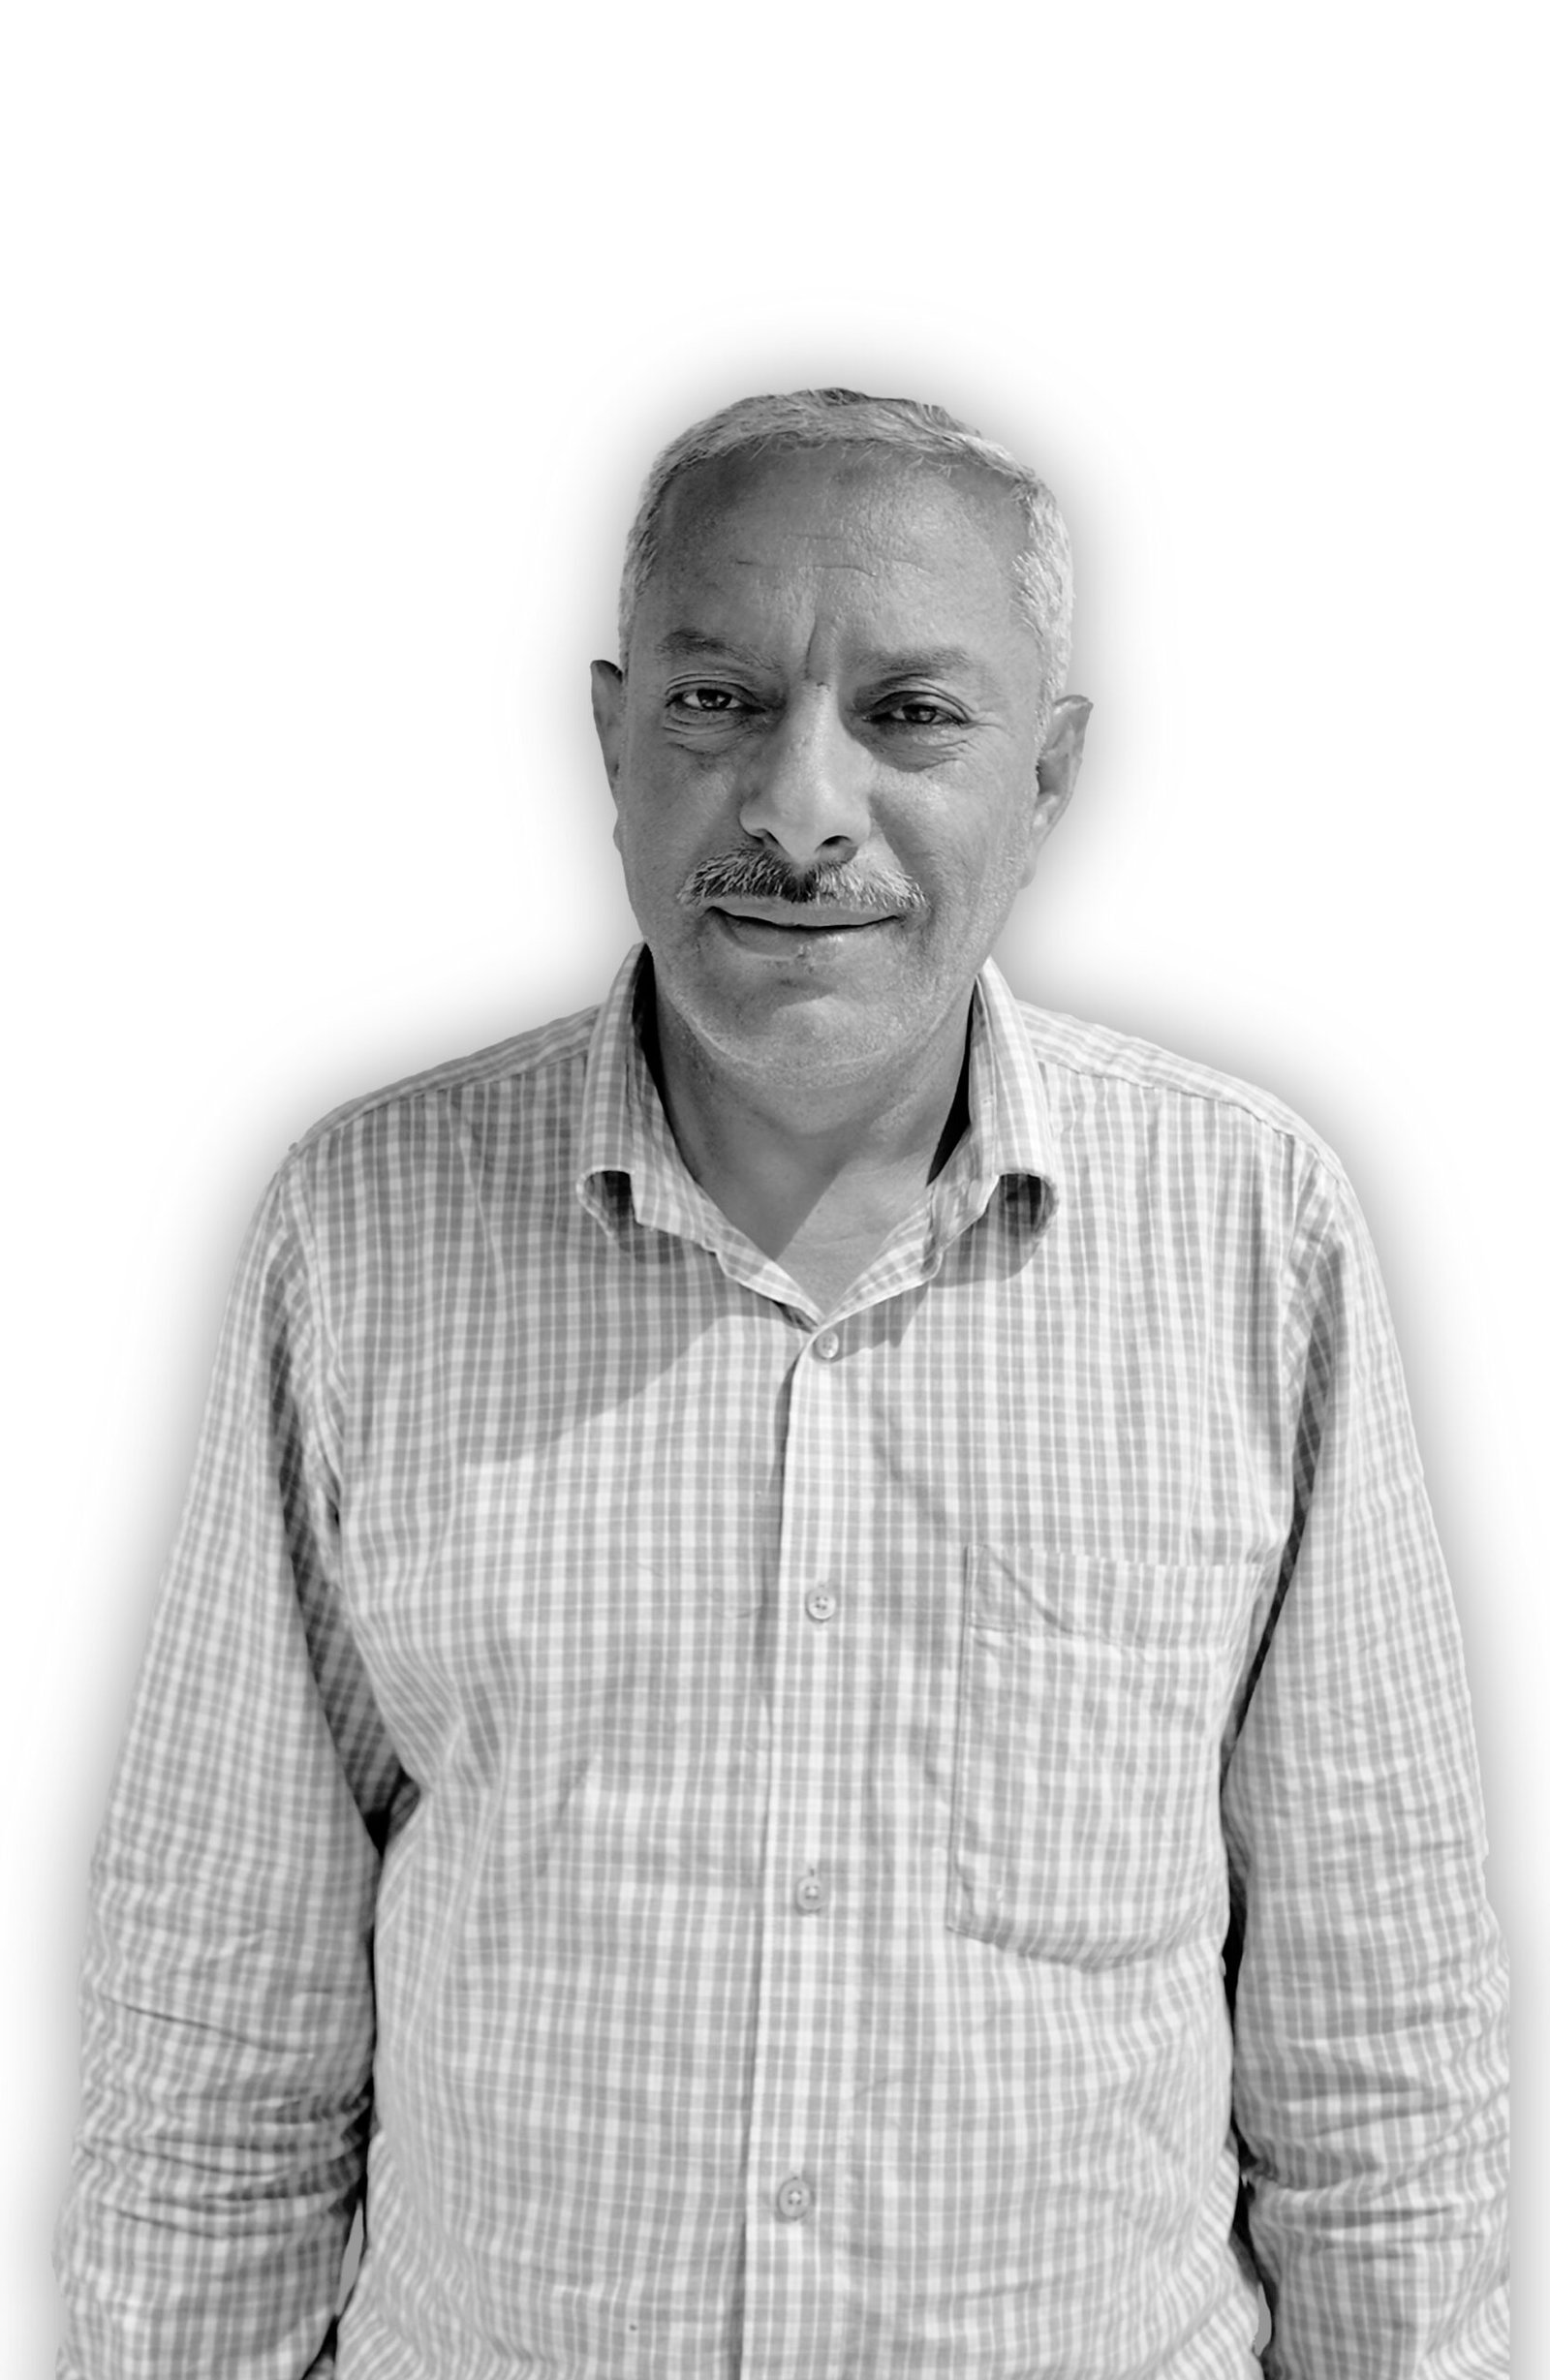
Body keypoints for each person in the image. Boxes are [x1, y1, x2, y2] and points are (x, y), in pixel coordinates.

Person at [54, 387, 1509, 2378]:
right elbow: (218, 2027)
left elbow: (1379, 2055)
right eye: (718, 699)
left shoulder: (1254, 1236)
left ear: (1048, 775)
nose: (801, 805)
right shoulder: (364, 1229)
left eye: (909, 713)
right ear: (610, 739)